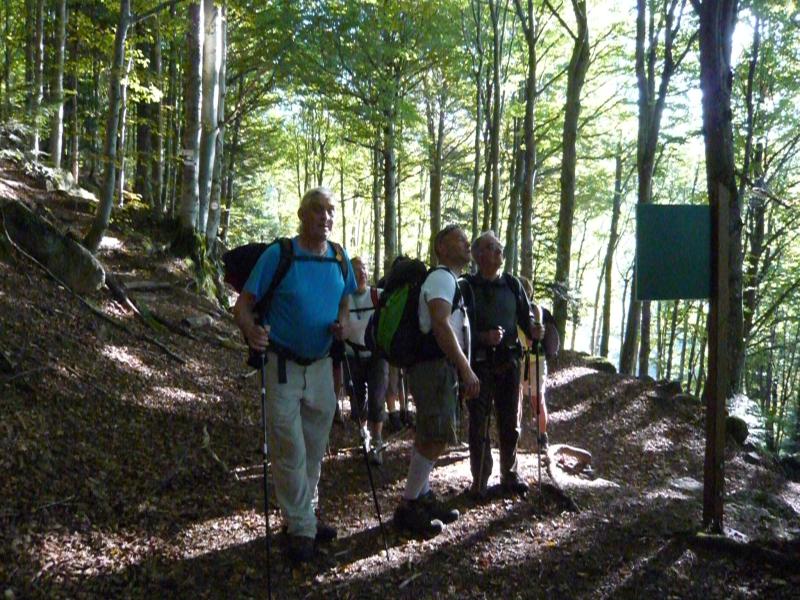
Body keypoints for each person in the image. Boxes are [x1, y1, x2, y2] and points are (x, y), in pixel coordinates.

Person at [233, 187, 357, 563]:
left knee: (315, 448)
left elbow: (346, 299)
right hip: (282, 365)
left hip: (321, 365)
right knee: (290, 448)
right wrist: (251, 331)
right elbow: (244, 304)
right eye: (318, 210)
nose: (325, 217)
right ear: (303, 214)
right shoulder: (279, 255)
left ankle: (303, 513)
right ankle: (302, 526)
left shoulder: (339, 257)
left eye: (330, 211)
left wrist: (343, 323)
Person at [394, 224, 480, 536]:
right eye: (459, 239)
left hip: (435, 367)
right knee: (436, 435)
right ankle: (408, 506)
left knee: (432, 432)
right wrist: (465, 368)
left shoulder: (448, 279)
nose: (466, 244)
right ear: (440, 247)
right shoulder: (441, 277)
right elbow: (441, 324)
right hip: (433, 366)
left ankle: (422, 496)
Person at [460, 231, 544, 498]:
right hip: (479, 366)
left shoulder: (512, 285)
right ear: (478, 255)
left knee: (510, 422)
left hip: (509, 363)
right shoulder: (466, 287)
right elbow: (456, 328)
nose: (499, 253)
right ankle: (480, 481)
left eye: (499, 248)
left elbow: (525, 320)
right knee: (478, 424)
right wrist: (483, 337)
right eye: (492, 248)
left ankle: (510, 474)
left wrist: (534, 329)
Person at [344, 256, 389, 464]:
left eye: (363, 269)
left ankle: (377, 442)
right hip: (351, 355)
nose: (361, 273)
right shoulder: (343, 298)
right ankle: (364, 435)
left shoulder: (378, 296)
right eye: (356, 270)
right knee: (356, 399)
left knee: (377, 398)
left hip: (376, 356)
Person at [519, 276, 549, 450]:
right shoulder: (514, 311)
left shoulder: (535, 309)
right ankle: (514, 438)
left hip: (535, 359)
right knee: (517, 399)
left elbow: (535, 333)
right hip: (519, 359)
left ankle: (542, 439)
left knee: (537, 398)